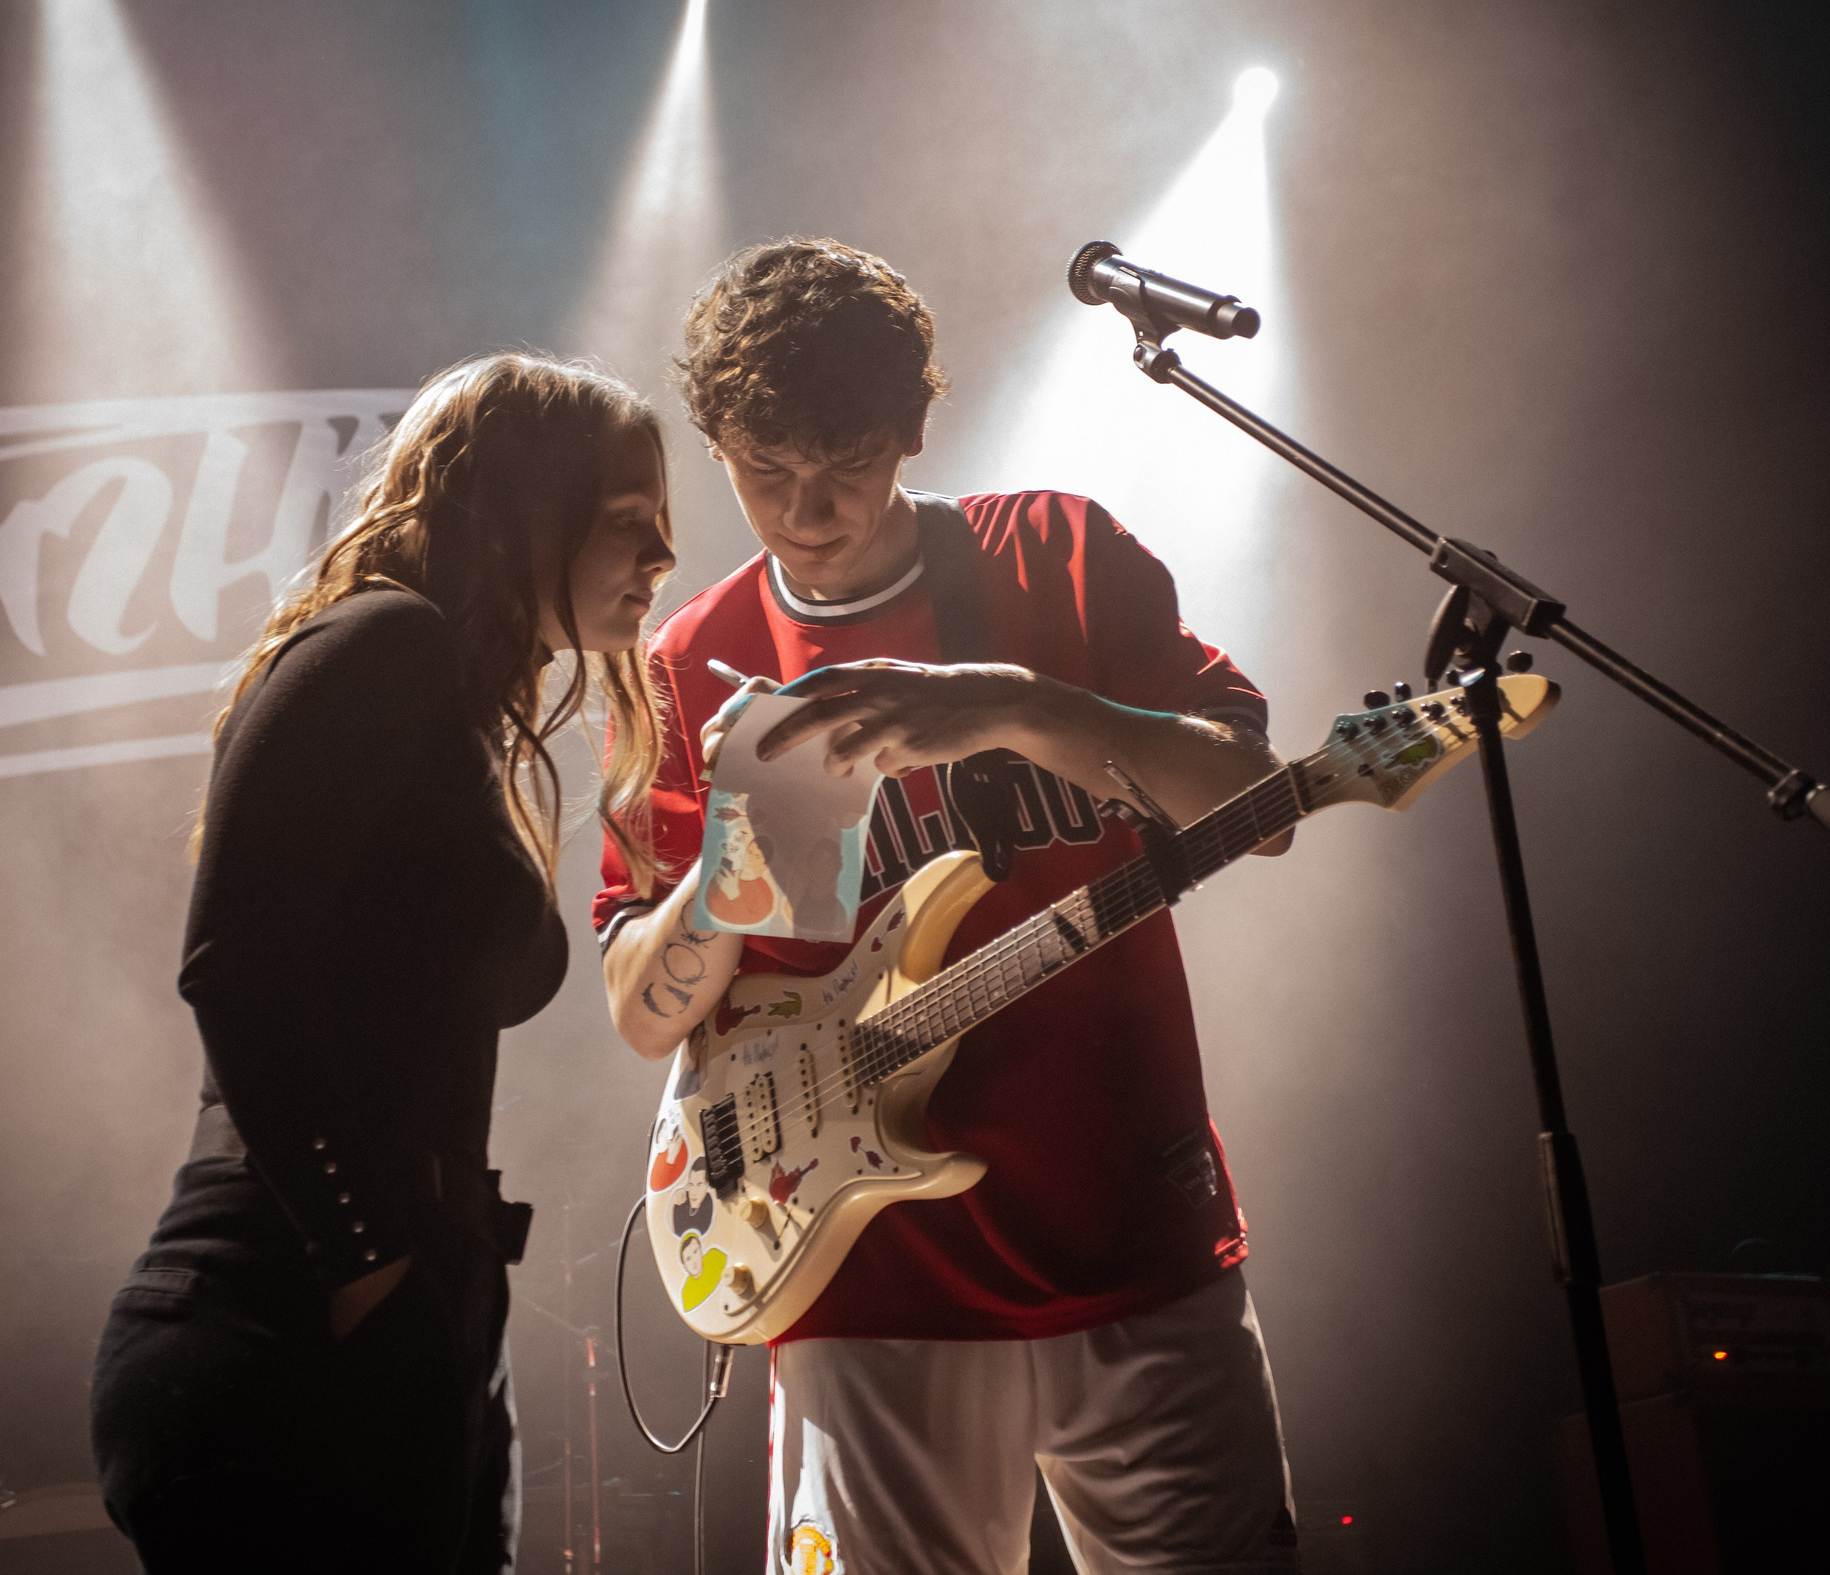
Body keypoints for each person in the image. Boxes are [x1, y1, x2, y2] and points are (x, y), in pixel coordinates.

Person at [596, 239, 1304, 1573]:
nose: (806, 510)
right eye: (765, 470)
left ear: (914, 428)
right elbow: (642, 1014)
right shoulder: (688, 662)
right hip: (863, 1270)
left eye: (846, 461)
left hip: (1131, 1234)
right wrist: (728, 867)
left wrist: (1019, 706)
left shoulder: (1059, 555)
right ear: (719, 447)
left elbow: (1258, 804)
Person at [92, 354, 677, 1573]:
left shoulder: (440, 701)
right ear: (525, 507)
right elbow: (231, 967)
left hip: (390, 1304)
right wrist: (365, 1252)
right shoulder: (383, 642)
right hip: (289, 1312)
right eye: (628, 521)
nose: (663, 556)